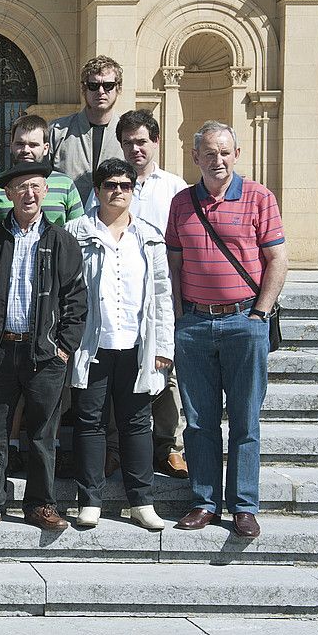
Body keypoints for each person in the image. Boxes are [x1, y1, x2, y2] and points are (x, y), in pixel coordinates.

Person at [167, 120, 287, 539]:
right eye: (208, 153)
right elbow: (175, 265)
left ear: (236, 155)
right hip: (196, 324)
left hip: (244, 321)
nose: (217, 159)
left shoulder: (259, 197)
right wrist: (182, 318)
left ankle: (243, 505)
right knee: (198, 421)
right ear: (195, 157)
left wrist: (259, 315)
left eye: (224, 152)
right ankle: (203, 501)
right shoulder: (182, 203)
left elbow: (278, 261)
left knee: (244, 418)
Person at [0, 162, 86, 533]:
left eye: (35, 186)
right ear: (9, 194)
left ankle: (42, 504)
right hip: (0, 349)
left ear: (45, 192)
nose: (29, 193)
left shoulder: (61, 240)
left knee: (43, 434)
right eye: (21, 187)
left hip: (45, 353)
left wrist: (64, 346)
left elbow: (77, 298)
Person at [66, 159, 172, 531]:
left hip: (136, 346)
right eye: (110, 184)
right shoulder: (75, 232)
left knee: (136, 424)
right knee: (90, 422)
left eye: (126, 185)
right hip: (91, 345)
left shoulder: (149, 235)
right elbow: (66, 293)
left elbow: (161, 295)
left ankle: (141, 501)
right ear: (96, 190)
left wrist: (164, 348)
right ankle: (90, 499)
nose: (118, 191)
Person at [98, 109, 191, 479]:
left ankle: (168, 446)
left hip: (160, 294)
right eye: (127, 142)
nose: (135, 148)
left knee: (164, 372)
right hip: (117, 299)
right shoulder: (111, 182)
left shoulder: (175, 188)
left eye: (141, 141)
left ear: (156, 141)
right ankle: (112, 448)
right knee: (113, 373)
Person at [0, 114, 84, 246]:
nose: (26, 150)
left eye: (33, 145)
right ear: (11, 146)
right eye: (20, 144)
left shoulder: (66, 185)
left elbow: (78, 236)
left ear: (46, 149)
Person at [48, 55, 126, 202]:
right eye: (94, 86)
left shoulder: (128, 134)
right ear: (84, 88)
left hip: (114, 221)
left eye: (108, 85)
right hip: (66, 221)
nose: (101, 91)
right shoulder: (57, 131)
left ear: (118, 88)